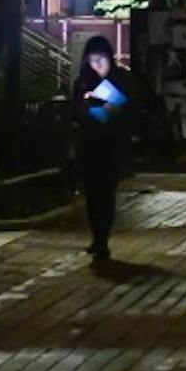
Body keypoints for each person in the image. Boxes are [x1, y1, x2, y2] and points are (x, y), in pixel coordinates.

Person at [72, 35, 133, 261]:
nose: (96, 62)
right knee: (91, 195)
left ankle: (102, 240)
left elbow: (115, 111)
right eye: (93, 57)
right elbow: (77, 111)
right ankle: (97, 238)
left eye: (101, 57)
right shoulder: (82, 82)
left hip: (109, 145)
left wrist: (92, 109)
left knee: (104, 194)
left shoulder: (117, 80)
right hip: (88, 145)